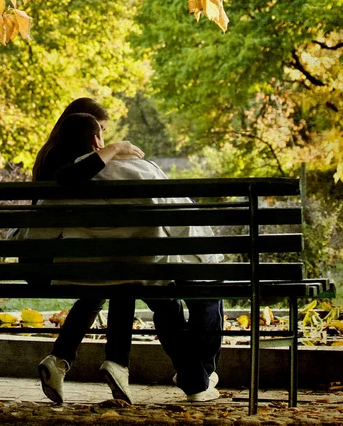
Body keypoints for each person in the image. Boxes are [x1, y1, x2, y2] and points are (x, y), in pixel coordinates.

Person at [38, 113, 223, 404]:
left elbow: (40, 234)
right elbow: (181, 219)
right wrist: (206, 257)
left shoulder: (61, 181)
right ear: (96, 140)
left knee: (153, 295)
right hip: (145, 271)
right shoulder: (141, 169)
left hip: (89, 275)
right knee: (183, 297)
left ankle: (195, 380)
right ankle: (198, 381)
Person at [13, 99, 145, 405]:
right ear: (87, 134)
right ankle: (117, 363)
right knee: (121, 280)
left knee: (108, 280)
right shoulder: (69, 163)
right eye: (99, 132)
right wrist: (111, 151)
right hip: (53, 264)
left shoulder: (53, 154)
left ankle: (59, 361)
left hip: (45, 263)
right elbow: (71, 178)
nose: (101, 140)